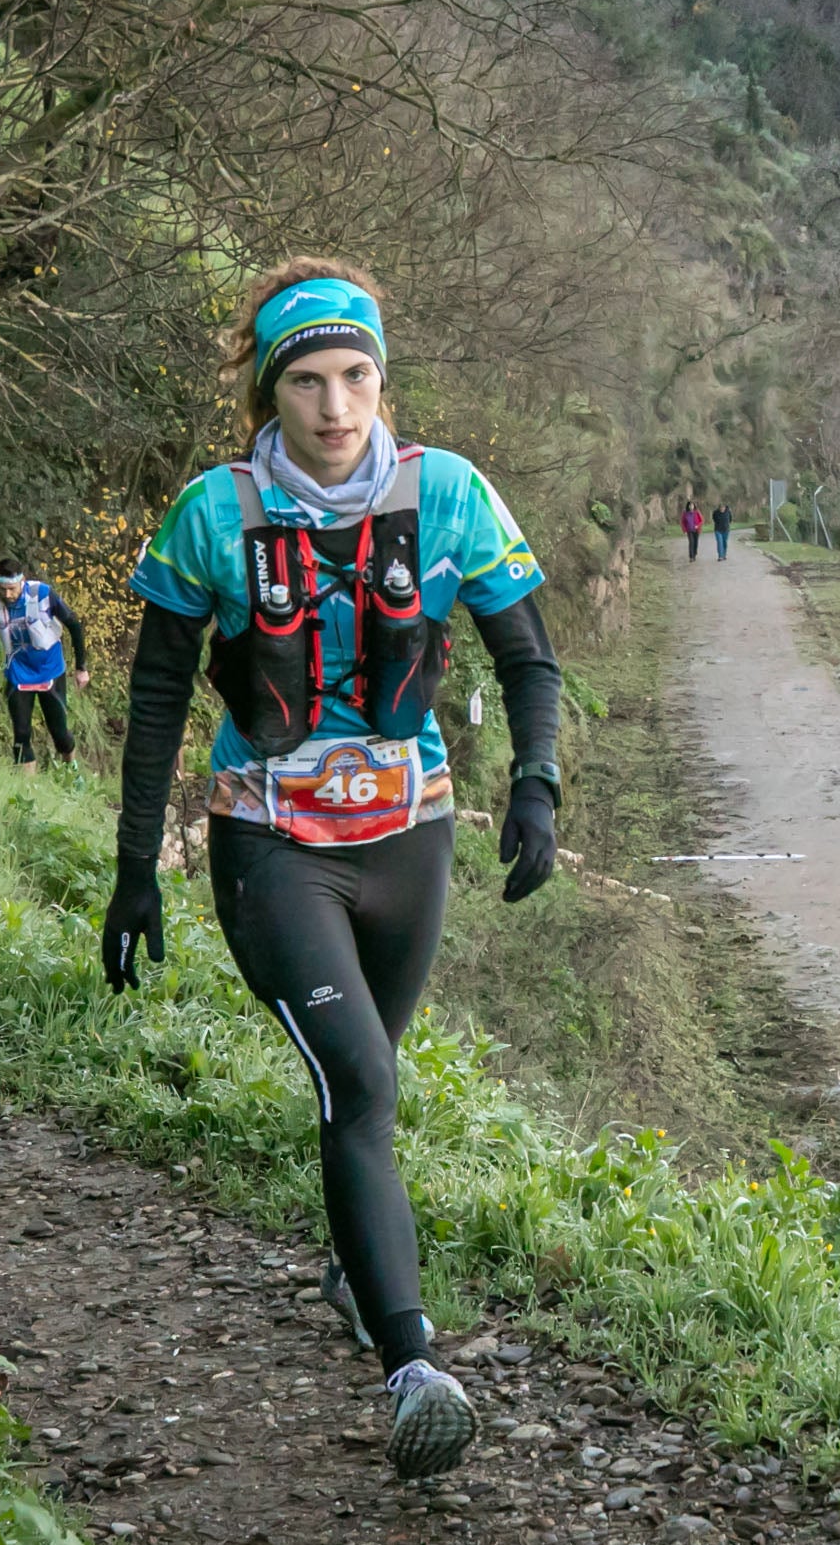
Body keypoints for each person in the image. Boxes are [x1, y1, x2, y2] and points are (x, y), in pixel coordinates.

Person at [101, 258, 562, 1482]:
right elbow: (154, 695)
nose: (336, 404)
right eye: (307, 381)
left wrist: (537, 784)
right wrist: (137, 863)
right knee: (360, 1083)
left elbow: (527, 659)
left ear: (382, 378)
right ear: (270, 392)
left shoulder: (453, 496)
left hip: (413, 841)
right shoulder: (213, 513)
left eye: (357, 376)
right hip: (271, 844)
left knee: (369, 1084)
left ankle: (357, 1271)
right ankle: (413, 1369)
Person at [0, 560, 89, 770]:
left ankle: (72, 773)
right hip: (18, 671)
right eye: (3, 589)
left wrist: (81, 668)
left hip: (50, 669)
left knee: (60, 734)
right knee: (21, 734)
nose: (8, 595)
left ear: (22, 581)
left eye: (12, 589)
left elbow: (74, 626)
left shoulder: (43, 594)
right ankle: (29, 792)